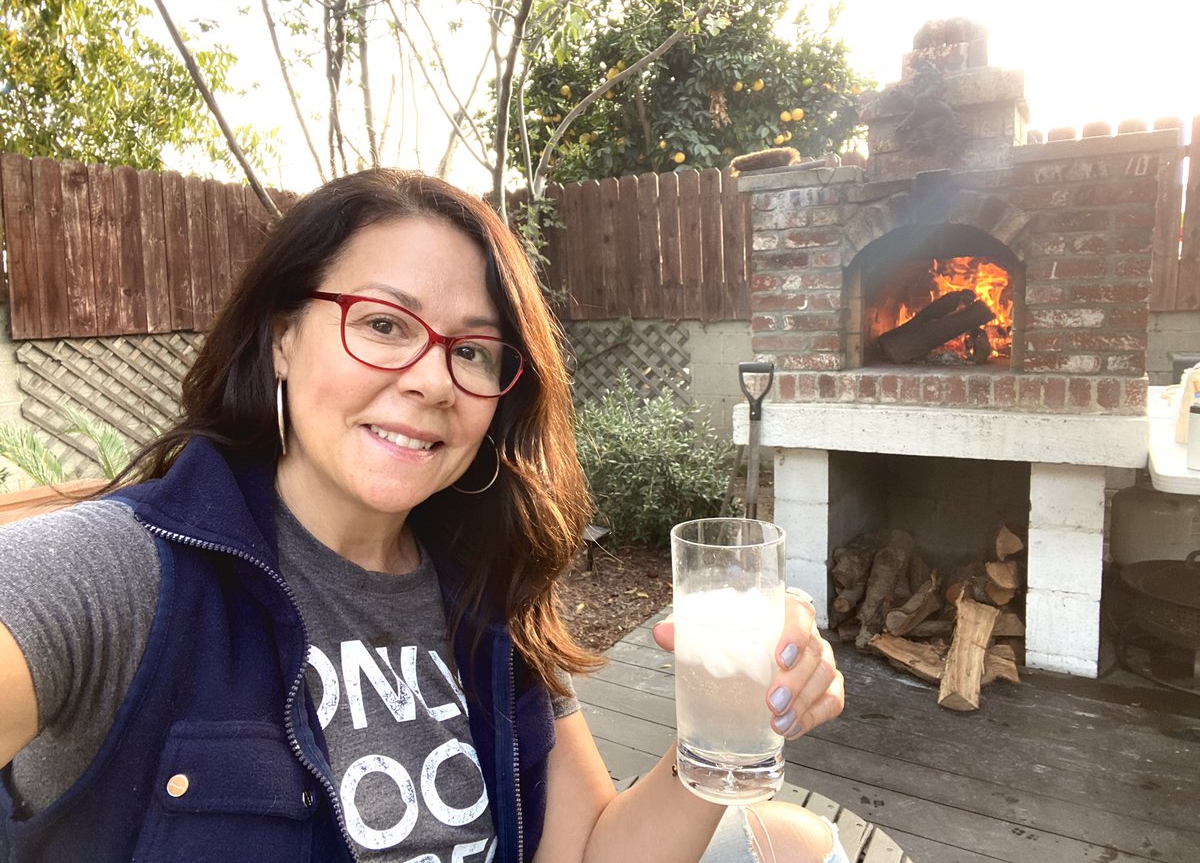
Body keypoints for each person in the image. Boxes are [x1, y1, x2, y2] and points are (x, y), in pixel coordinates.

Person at [0, 169, 847, 862]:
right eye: (382, 323)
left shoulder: (484, 590)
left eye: (472, 350)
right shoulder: (117, 575)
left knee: (803, 841)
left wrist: (721, 735)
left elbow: (586, 853)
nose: (433, 380)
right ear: (281, 337)